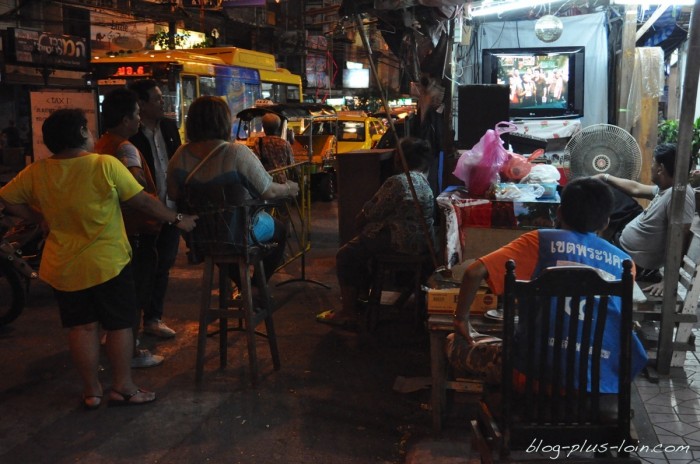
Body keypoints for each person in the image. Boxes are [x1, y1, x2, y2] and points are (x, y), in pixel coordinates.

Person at [0, 109, 196, 409]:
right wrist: (177, 219)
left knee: (81, 327)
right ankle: (123, 387)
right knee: (119, 326)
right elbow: (142, 201)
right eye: (88, 130)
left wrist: (41, 216)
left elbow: (7, 200)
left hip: (63, 265)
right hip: (108, 263)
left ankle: (92, 392)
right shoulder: (104, 165)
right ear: (80, 132)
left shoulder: (37, 171)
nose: (92, 134)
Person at [448, 177, 647, 389]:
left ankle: (499, 402)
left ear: (559, 212)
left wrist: (461, 319)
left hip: (531, 375)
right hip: (595, 382)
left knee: (454, 342)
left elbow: (473, 272)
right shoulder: (624, 263)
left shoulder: (538, 242)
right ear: (606, 221)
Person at [167, 96, 299, 286]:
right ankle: (256, 286)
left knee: (219, 245)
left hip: (200, 238)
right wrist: (288, 188)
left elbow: (172, 195)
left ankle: (243, 284)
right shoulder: (236, 153)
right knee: (280, 230)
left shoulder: (180, 155)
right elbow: (268, 191)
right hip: (239, 235)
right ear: (223, 121)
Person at [316, 137, 435, 329]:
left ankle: (348, 312)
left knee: (346, 254)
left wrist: (360, 221)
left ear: (398, 158)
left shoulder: (397, 181)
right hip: (422, 243)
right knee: (362, 247)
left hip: (398, 242)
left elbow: (371, 212)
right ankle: (361, 298)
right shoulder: (424, 182)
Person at [94, 88, 164, 368]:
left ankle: (115, 341)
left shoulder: (100, 145)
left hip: (113, 231)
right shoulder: (125, 147)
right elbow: (137, 186)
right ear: (125, 119)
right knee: (134, 297)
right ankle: (131, 351)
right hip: (135, 232)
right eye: (136, 114)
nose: (138, 120)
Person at [595, 143, 695, 296]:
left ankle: (591, 243)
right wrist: (605, 177)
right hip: (625, 245)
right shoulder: (668, 188)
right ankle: (598, 240)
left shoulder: (681, 195)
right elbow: (636, 188)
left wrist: (668, 280)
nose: (652, 167)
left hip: (634, 264)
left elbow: (680, 238)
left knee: (605, 195)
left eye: (653, 163)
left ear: (660, 168)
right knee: (609, 189)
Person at [129, 79, 182, 339]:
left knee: (163, 267)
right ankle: (127, 325)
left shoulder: (170, 127)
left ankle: (153, 318)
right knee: (139, 269)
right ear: (141, 103)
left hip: (171, 209)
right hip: (142, 213)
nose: (163, 102)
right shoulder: (131, 134)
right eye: (157, 99)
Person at [252, 113, 295, 184]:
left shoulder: (258, 142)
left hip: (266, 181)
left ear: (264, 127)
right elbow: (291, 164)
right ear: (278, 127)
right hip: (283, 182)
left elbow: (256, 163)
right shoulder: (284, 143)